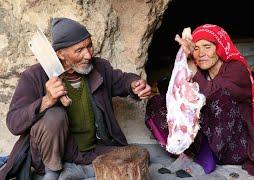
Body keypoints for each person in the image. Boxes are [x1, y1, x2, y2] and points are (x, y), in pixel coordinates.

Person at [0, 17, 151, 180]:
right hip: (54, 154)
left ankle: (78, 171)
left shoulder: (99, 68)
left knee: (140, 156)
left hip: (91, 151)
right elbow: (14, 123)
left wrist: (134, 84)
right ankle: (53, 172)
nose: (88, 55)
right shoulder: (34, 76)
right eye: (79, 50)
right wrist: (47, 101)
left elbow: (121, 80)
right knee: (54, 116)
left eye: (90, 46)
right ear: (60, 54)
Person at [146, 24, 254, 176]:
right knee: (157, 103)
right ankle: (183, 151)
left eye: (207, 47)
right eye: (196, 48)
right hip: (201, 135)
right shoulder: (198, 70)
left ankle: (204, 161)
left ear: (219, 49)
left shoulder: (237, 69)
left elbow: (212, 93)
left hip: (233, 145)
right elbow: (177, 97)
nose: (201, 53)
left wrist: (192, 68)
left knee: (221, 97)